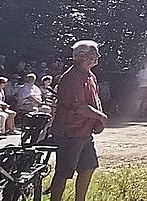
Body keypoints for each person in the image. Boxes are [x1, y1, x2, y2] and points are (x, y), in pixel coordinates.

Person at [49, 40, 106, 201]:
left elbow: (95, 100)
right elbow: (79, 106)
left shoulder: (90, 76)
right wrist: (101, 117)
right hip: (70, 132)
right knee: (64, 172)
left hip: (84, 132)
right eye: (94, 54)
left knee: (88, 167)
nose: (98, 57)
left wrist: (97, 119)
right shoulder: (72, 77)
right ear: (81, 56)